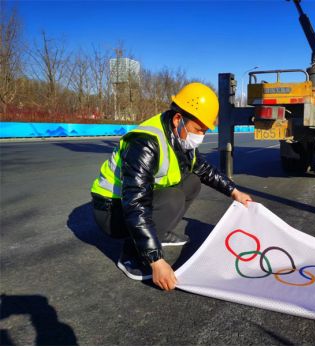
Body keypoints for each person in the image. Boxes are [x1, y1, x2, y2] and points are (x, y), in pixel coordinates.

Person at [90, 82, 252, 291]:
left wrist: (235, 192)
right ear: (178, 119)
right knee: (173, 198)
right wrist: (155, 260)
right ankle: (132, 254)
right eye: (198, 129)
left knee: (192, 182)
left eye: (204, 130)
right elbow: (135, 203)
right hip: (112, 211)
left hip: (132, 204)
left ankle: (159, 231)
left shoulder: (180, 137)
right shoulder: (145, 142)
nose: (200, 136)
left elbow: (203, 169)